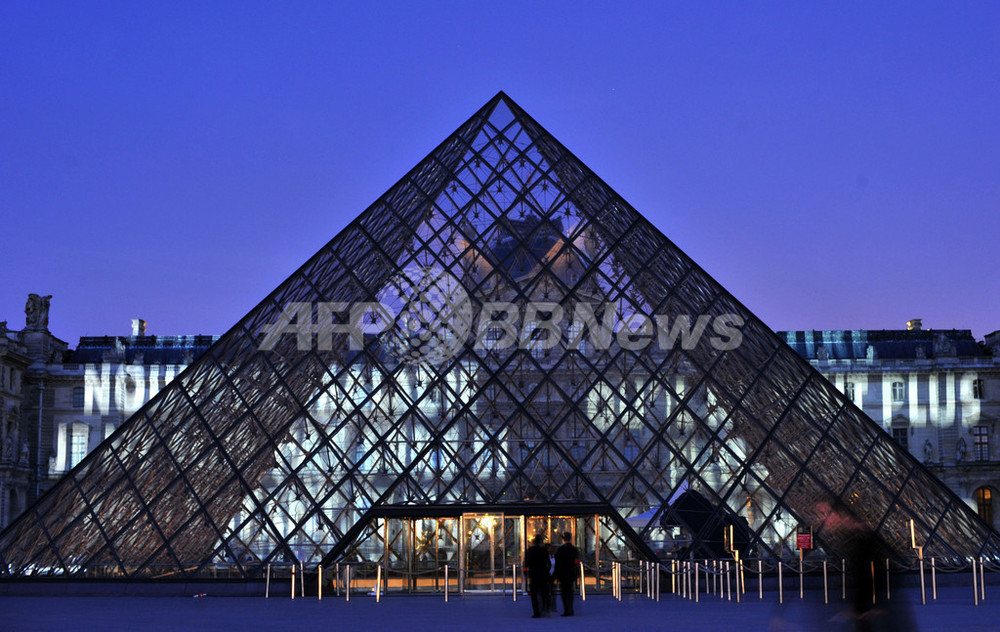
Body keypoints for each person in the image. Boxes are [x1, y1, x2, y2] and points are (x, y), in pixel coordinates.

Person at [554, 531, 579, 616]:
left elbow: (558, 563)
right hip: (571, 573)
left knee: (564, 592)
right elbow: (576, 562)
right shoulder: (574, 549)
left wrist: (556, 574)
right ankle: (571, 608)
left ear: (563, 539)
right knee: (570, 592)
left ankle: (566, 609)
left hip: (562, 573)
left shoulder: (560, 549)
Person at [524, 534, 550, 618]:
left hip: (533, 574)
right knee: (543, 593)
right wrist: (547, 571)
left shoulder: (530, 551)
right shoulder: (544, 551)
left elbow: (526, 563)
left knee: (534, 594)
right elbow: (548, 563)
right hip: (543, 574)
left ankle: (536, 611)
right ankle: (542, 608)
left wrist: (527, 573)